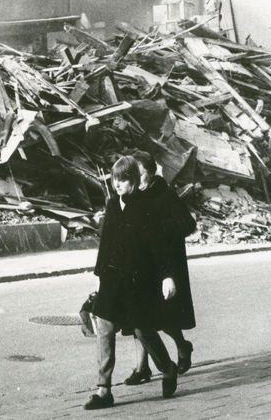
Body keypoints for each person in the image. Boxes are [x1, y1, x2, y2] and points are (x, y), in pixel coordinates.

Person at [84, 157, 180, 410]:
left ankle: (167, 368)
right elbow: (105, 243)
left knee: (143, 330)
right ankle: (104, 390)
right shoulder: (112, 204)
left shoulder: (146, 206)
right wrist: (98, 276)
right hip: (111, 280)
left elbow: (159, 246)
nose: (118, 184)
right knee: (104, 329)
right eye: (115, 179)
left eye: (123, 179)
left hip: (138, 282)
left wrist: (167, 276)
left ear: (135, 181)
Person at [123, 153, 197, 385]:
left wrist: (157, 229)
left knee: (164, 318)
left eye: (140, 172)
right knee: (138, 318)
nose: (137, 177)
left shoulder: (165, 194)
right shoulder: (131, 195)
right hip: (140, 264)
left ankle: (182, 346)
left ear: (151, 172)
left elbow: (188, 223)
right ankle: (142, 368)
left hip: (164, 265)